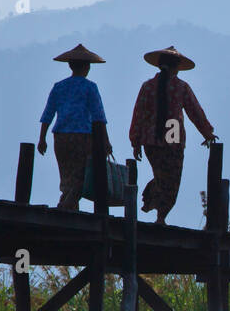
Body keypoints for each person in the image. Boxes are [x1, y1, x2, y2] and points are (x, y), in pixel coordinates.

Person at [128, 45, 218, 225]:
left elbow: (138, 114)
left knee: (162, 175)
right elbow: (195, 111)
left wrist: (136, 141)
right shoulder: (181, 87)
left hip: (150, 136)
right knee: (171, 179)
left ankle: (157, 208)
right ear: (176, 68)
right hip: (172, 133)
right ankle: (160, 216)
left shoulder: (147, 87)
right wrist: (207, 133)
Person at [37, 43, 113, 210]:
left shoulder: (59, 87)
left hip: (61, 136)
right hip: (83, 137)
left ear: (70, 65)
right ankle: (65, 207)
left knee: (66, 176)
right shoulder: (90, 87)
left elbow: (48, 114)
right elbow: (99, 117)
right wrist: (106, 141)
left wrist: (42, 138)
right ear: (87, 67)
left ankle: (69, 208)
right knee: (80, 176)